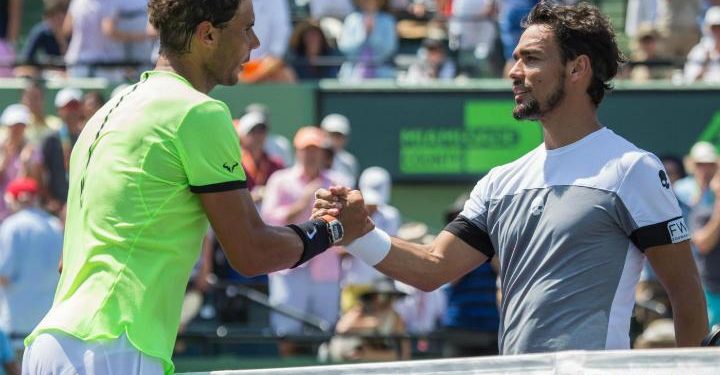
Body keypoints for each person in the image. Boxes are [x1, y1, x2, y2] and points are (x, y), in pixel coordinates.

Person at [315, 2, 708, 354]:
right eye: (515, 58)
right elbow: (432, 268)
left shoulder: (632, 169)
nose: (514, 72)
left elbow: (686, 295)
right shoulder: (500, 181)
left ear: (577, 68)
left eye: (531, 59)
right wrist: (358, 234)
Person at [22, 1, 367, 374]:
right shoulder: (198, 112)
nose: (255, 41)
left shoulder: (105, 114)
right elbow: (252, 251)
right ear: (208, 34)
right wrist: (333, 229)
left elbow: (66, 261)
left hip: (49, 346)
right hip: (114, 347)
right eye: (246, 28)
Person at [0, 178, 62, 349]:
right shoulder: (55, 225)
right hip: (48, 327)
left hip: (16, 327)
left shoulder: (11, 226)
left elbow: (3, 274)